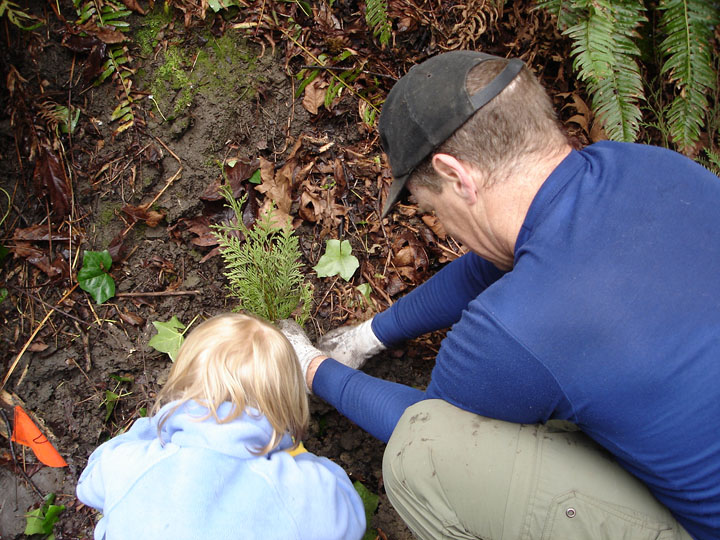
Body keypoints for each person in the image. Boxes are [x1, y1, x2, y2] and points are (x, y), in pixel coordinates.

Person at [279, 50, 720, 540]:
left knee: (422, 460)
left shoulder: (517, 328)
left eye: (432, 207)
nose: (443, 226)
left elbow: (429, 428)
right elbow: (494, 262)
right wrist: (367, 337)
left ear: (457, 176)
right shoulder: (641, 164)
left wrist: (310, 367)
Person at [76, 313, 366, 540]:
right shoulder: (296, 487)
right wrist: (297, 456)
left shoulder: (132, 466)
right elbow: (351, 520)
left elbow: (89, 484)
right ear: (285, 407)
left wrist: (157, 427)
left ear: (182, 391)